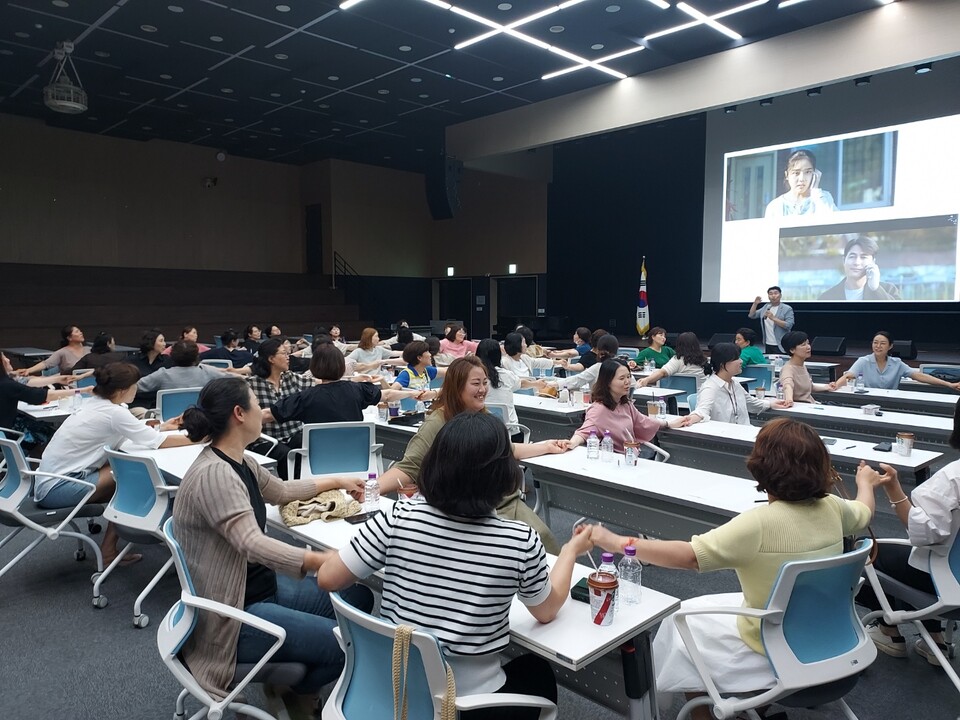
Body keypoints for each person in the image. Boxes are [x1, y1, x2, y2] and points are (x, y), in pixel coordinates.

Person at [587, 418, 876, 720]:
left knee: (681, 626)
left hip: (773, 644)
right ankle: (755, 705)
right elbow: (865, 512)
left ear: (761, 466)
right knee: (703, 611)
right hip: (835, 634)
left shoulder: (757, 524)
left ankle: (710, 711)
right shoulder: (834, 507)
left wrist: (618, 542)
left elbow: (688, 556)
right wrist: (865, 483)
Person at [316, 412, 595, 717]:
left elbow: (328, 578)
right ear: (505, 473)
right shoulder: (517, 540)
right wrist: (570, 550)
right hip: (462, 706)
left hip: (393, 688)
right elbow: (546, 610)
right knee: (536, 670)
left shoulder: (398, 516)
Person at [172, 376, 373, 718]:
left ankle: (288, 684)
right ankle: (298, 690)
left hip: (256, 586)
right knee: (349, 643)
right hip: (233, 612)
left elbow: (280, 491)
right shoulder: (216, 475)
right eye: (254, 402)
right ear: (239, 413)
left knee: (357, 596)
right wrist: (321, 559)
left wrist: (338, 480)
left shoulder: (238, 460)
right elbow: (252, 544)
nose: (261, 411)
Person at [370, 356, 569, 553]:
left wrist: (546, 446)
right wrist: (370, 491)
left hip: (503, 502)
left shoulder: (484, 416)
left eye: (485, 383)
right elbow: (408, 468)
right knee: (508, 551)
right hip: (460, 509)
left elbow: (508, 449)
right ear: (457, 387)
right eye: (476, 383)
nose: (483, 389)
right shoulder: (437, 423)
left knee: (541, 537)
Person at [35, 363, 195, 563]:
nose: (138, 388)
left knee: (129, 480)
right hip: (58, 488)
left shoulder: (94, 404)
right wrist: (202, 438)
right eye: (135, 385)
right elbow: (156, 442)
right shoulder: (114, 413)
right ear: (122, 390)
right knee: (133, 479)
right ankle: (115, 548)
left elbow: (132, 434)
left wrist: (162, 427)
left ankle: (115, 547)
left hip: (47, 482)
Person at [855, 402, 960, 664]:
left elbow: (924, 535)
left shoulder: (952, 478)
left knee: (866, 550)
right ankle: (934, 638)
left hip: (948, 583)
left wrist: (893, 490)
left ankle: (888, 631)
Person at [270, 344, 419, 429]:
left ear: (314, 367)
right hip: (358, 457)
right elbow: (386, 395)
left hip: (319, 461)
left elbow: (270, 414)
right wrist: (412, 394)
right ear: (342, 366)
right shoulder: (358, 389)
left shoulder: (304, 397)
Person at [567, 359, 682, 453]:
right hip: (616, 461)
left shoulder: (625, 404)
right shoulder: (599, 410)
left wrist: (668, 424)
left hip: (632, 456)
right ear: (607, 382)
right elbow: (583, 432)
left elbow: (642, 421)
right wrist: (571, 444)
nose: (627, 382)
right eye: (622, 378)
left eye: (628, 376)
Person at [245, 338, 316, 479]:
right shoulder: (251, 385)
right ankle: (291, 491)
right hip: (266, 439)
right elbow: (249, 418)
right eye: (283, 353)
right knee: (285, 454)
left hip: (293, 434)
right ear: (271, 359)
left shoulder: (290, 377)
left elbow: (316, 383)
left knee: (310, 445)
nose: (288, 357)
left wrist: (353, 380)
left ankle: (311, 487)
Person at [679, 343, 786, 426]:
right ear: (722, 364)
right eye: (736, 358)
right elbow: (701, 411)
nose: (741, 361)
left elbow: (751, 403)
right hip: (726, 439)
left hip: (744, 432)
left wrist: (771, 403)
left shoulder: (735, 383)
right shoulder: (710, 388)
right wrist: (690, 419)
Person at [833, 331, 960, 392]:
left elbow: (919, 376)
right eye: (875, 343)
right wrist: (835, 386)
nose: (878, 346)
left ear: (890, 346)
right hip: (867, 402)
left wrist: (948, 384)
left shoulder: (897, 363)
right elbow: (849, 376)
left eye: (882, 343)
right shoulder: (863, 361)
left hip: (891, 400)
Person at [0, 351, 82, 432]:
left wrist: (57, 379)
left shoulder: (7, 380)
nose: (8, 360)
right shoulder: (8, 384)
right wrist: (82, 390)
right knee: (55, 432)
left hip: (6, 430)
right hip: (9, 433)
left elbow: (28, 382)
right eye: (4, 357)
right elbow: (42, 395)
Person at [818, 235, 902, 301]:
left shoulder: (889, 290)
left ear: (873, 262)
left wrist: (876, 289)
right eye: (852, 256)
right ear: (844, 261)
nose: (857, 262)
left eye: (863, 257)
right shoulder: (827, 297)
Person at [763, 148, 837, 218]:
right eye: (796, 173)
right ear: (787, 175)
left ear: (815, 174)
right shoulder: (775, 206)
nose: (801, 179)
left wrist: (816, 192)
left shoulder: (823, 198)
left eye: (807, 172)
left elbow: (836, 226)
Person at [137, 340, 227, 394]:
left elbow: (136, 387)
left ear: (172, 356)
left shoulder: (163, 374)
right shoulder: (207, 371)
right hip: (200, 419)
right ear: (196, 356)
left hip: (169, 421)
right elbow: (235, 379)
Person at [779, 330, 836, 405]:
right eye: (803, 345)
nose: (808, 347)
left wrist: (827, 387)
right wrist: (789, 399)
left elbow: (808, 387)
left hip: (811, 404)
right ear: (792, 350)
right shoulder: (788, 369)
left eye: (808, 343)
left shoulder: (801, 365)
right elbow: (787, 385)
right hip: (802, 408)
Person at [638, 332, 710, 390]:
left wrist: (646, 380)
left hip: (679, 399)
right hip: (700, 398)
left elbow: (662, 373)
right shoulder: (704, 360)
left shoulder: (678, 360)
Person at [552, 334, 621, 392]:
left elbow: (577, 380)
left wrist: (552, 385)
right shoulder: (622, 366)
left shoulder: (598, 367)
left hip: (601, 404)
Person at [19, 325, 90, 375]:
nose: (81, 333)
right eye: (77, 331)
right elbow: (46, 364)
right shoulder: (62, 352)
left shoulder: (90, 350)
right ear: (69, 338)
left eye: (80, 331)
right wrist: (28, 370)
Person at [748, 286, 795, 354]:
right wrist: (755, 304)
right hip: (768, 344)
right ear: (768, 296)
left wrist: (773, 318)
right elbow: (752, 315)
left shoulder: (787, 308)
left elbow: (789, 325)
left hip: (781, 345)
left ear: (780, 295)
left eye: (776, 293)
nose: (773, 296)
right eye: (770, 294)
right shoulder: (766, 307)